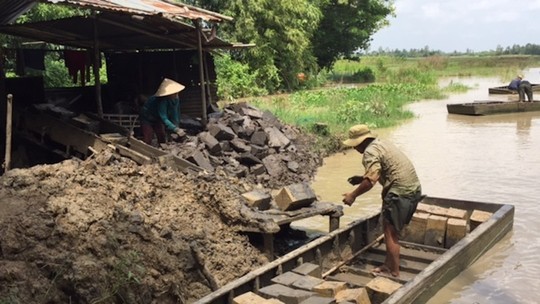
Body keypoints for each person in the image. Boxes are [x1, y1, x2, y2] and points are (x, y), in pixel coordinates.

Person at [341, 124, 423, 278]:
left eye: (355, 145)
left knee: (390, 232)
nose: (354, 148)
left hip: (399, 193)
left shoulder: (370, 152)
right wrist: (361, 178)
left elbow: (370, 182)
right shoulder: (381, 143)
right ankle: (388, 264)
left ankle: (393, 271)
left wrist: (352, 195)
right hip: (414, 189)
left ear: (361, 142)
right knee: (390, 228)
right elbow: (382, 170)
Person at [139, 78, 186, 145]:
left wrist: (176, 127)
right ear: (169, 93)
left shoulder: (175, 99)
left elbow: (175, 114)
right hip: (147, 118)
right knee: (148, 138)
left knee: (161, 137)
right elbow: (164, 117)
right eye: (174, 93)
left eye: (177, 93)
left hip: (158, 118)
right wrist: (175, 129)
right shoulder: (161, 101)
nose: (176, 95)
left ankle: (163, 149)